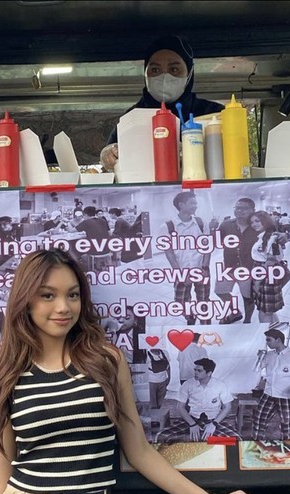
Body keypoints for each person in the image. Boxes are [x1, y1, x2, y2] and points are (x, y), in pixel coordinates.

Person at [0, 249, 260, 494]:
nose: (63, 307)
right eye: (48, 295)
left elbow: (140, 452)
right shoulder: (5, 379)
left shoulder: (107, 362)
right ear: (25, 301)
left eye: (72, 295)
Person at [100, 34, 225, 171]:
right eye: (155, 70)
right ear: (145, 74)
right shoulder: (131, 118)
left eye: (174, 69)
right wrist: (109, 156)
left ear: (189, 75)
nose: (164, 77)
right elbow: (112, 164)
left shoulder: (213, 113)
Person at [160, 358, 241, 443]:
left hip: (214, 419)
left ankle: (206, 442)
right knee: (162, 437)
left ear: (209, 373)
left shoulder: (220, 385)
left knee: (236, 440)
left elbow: (227, 407)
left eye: (199, 371)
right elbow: (180, 407)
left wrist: (214, 424)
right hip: (192, 418)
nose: (195, 373)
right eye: (195, 370)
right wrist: (192, 424)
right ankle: (203, 441)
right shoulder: (188, 384)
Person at [252, 329, 290, 441]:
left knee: (286, 425)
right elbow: (256, 370)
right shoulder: (269, 355)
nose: (267, 343)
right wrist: (259, 357)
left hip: (286, 396)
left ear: (278, 340)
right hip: (269, 394)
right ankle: (258, 443)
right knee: (258, 420)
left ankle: (287, 446)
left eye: (269, 340)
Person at [160, 191, 211, 325]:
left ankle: (206, 327)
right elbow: (169, 253)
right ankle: (190, 318)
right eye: (192, 203)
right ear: (181, 205)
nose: (195, 206)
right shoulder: (168, 226)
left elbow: (207, 247)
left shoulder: (201, 223)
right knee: (180, 302)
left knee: (204, 302)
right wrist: (180, 273)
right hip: (181, 270)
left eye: (196, 203)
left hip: (201, 268)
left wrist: (205, 267)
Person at [212, 197, 257, 325]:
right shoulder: (225, 225)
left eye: (244, 208)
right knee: (220, 291)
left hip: (249, 269)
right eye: (237, 208)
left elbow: (272, 234)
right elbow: (215, 242)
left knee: (248, 298)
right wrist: (212, 230)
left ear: (253, 210)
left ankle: (247, 321)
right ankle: (235, 312)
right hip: (229, 267)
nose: (239, 211)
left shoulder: (257, 226)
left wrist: (284, 235)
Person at [249, 211, 287, 323]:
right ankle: (274, 329)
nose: (254, 224)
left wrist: (257, 281)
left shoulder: (272, 237)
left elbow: (271, 260)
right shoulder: (263, 236)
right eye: (252, 222)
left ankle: (266, 332)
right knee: (269, 310)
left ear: (265, 220)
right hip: (265, 273)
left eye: (257, 221)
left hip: (266, 275)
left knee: (264, 311)